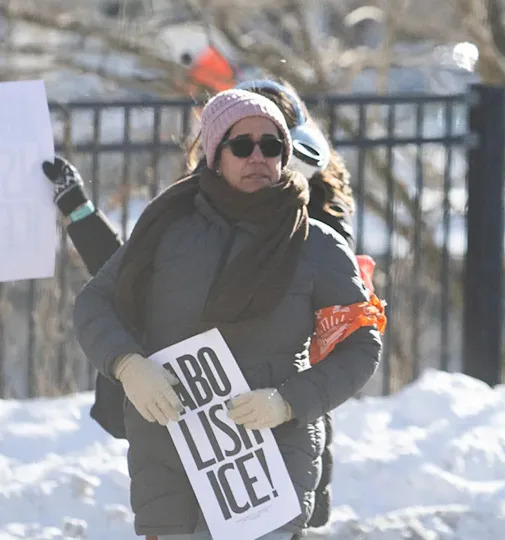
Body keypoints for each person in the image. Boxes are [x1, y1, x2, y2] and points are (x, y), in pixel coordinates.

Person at [44, 79, 361, 529]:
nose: (258, 156)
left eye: (271, 144)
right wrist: (128, 365)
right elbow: (121, 288)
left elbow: (356, 343)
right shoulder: (174, 219)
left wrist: (288, 403)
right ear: (215, 149)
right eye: (241, 144)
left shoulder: (316, 232)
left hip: (272, 454)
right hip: (174, 454)